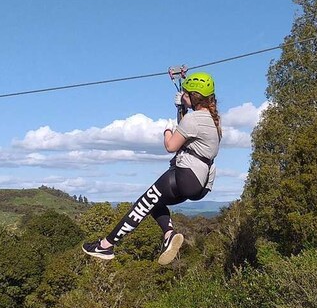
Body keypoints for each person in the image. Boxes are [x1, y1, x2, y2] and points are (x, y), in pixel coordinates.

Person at [82, 72, 221, 264]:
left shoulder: (193, 120)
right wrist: (182, 108)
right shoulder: (213, 120)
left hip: (187, 174)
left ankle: (106, 245)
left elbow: (171, 146)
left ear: (193, 97)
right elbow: (190, 132)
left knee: (143, 203)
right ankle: (169, 235)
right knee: (156, 203)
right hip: (202, 183)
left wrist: (167, 131)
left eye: (186, 94)